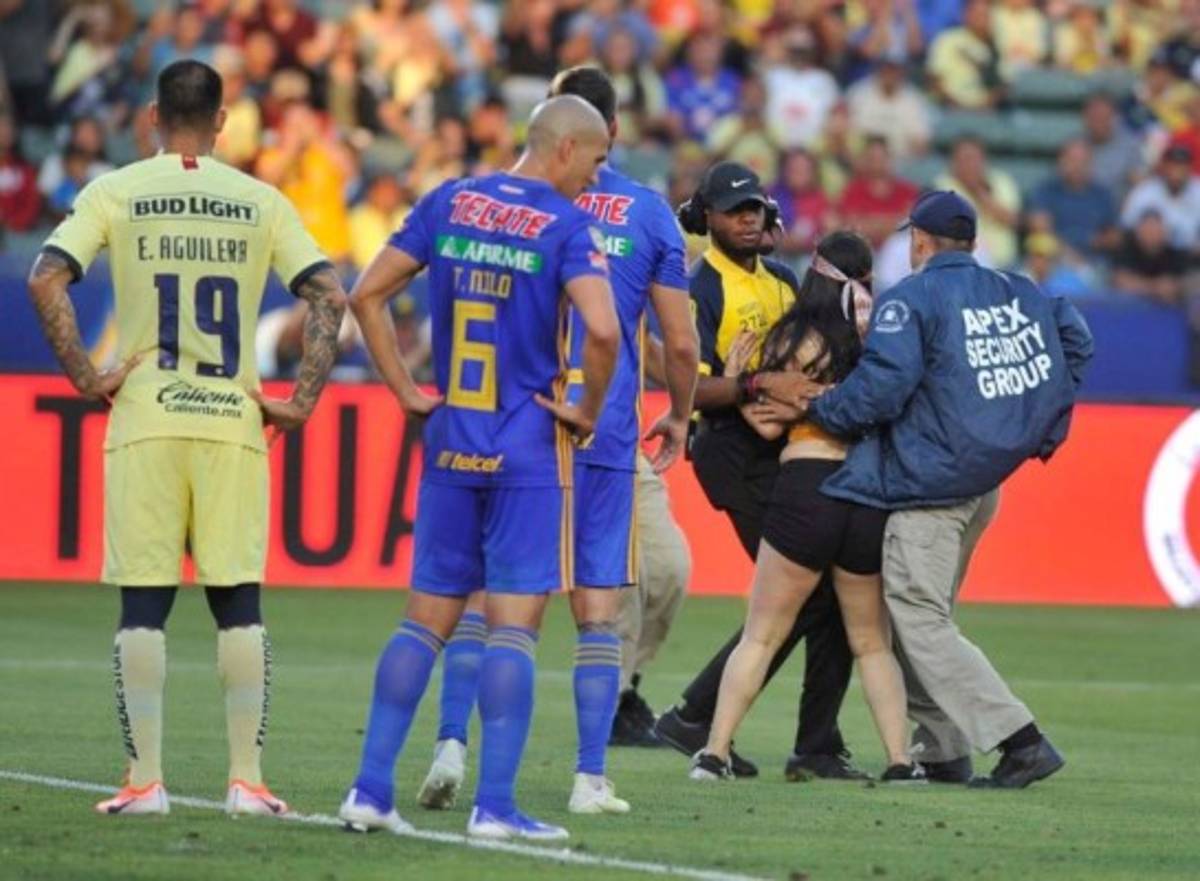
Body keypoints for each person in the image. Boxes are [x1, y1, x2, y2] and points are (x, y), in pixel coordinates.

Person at [26, 59, 347, 817]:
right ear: (223, 121)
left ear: (152, 117)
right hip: (231, 420)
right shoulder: (260, 199)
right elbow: (330, 295)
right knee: (238, 602)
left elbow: (45, 277)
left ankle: (145, 782)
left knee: (144, 603)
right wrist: (300, 401)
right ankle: (247, 781)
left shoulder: (117, 190)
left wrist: (86, 374)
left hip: (146, 417)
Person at [414, 65, 699, 817]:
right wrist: (680, 412)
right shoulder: (647, 214)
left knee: (488, 597)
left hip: (516, 422)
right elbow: (679, 339)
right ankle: (588, 778)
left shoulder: (498, 206)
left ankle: (452, 743)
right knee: (597, 608)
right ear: (611, 131)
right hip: (600, 429)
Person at [339, 95, 619, 842]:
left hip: (451, 438)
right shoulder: (566, 224)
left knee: (423, 621)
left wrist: (406, 391)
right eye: (595, 162)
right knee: (513, 631)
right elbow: (602, 329)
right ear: (565, 148)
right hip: (525, 447)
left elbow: (366, 293)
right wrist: (586, 408)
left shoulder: (449, 200)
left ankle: (370, 790)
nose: (596, 179)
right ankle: (495, 806)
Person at [807, 190, 1094, 788]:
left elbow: (882, 388)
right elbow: (1077, 339)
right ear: (972, 242)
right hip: (984, 486)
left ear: (919, 240)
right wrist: (1035, 418)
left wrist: (821, 409)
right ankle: (942, 750)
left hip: (930, 487)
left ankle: (1021, 741)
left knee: (917, 616)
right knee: (923, 618)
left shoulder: (910, 298)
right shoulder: (1019, 290)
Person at [653, 162, 866, 783]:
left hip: (779, 449)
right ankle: (755, 731)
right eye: (734, 211)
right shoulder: (700, 288)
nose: (748, 220)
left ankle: (717, 722)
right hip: (730, 452)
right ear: (708, 219)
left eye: (756, 210)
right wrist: (756, 384)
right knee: (810, 596)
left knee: (818, 598)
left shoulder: (782, 279)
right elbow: (688, 388)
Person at [688, 231, 923, 784]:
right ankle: (900, 760)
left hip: (806, 486)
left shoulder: (792, 338)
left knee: (763, 633)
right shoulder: (881, 340)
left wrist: (741, 380)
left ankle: (714, 754)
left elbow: (766, 425)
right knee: (872, 642)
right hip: (866, 493)